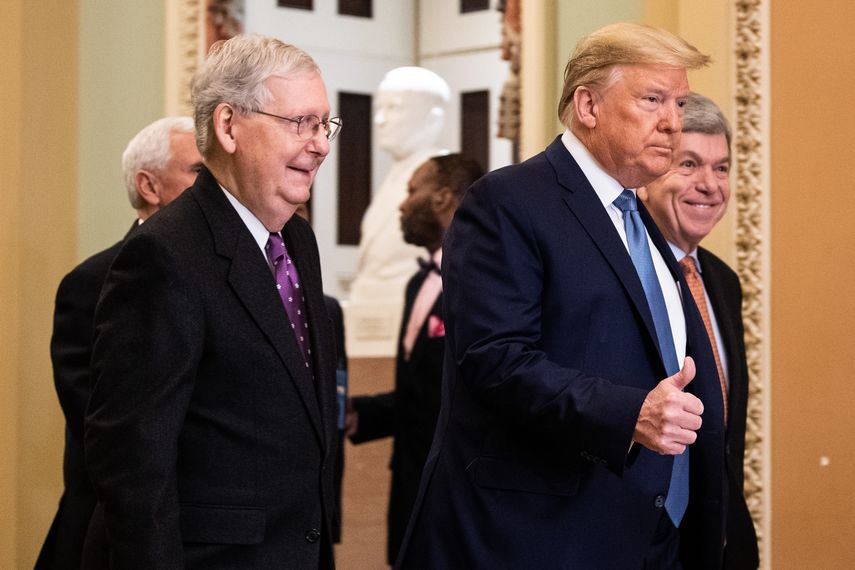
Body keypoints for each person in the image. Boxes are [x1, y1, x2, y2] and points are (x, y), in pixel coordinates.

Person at [396, 23, 726, 569]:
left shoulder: (637, 216)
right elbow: (494, 359)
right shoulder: (508, 201)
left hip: (652, 536)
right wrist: (630, 414)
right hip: (538, 540)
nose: (674, 121)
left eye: (681, 102)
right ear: (588, 105)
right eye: (652, 99)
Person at [85, 34, 341, 569]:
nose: (319, 144)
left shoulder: (298, 240)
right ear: (228, 126)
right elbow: (133, 464)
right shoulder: (163, 255)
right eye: (300, 123)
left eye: (325, 125)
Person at [35, 116, 202, 570]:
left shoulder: (217, 273)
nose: (215, 189)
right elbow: (104, 425)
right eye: (199, 173)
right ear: (149, 185)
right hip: (115, 534)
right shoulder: (90, 281)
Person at [639, 92, 759, 569]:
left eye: (722, 167)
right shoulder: (623, 274)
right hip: (639, 546)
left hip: (719, 544)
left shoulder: (723, 281)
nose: (710, 185)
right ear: (648, 177)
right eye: (688, 164)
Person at [347, 154, 483, 565]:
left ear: (443, 198)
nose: (403, 205)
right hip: (409, 487)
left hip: (458, 496)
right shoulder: (415, 285)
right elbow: (424, 392)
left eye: (412, 192)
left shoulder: (483, 280)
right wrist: (361, 414)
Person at [347, 66, 450, 355]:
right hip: (372, 322)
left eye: (393, 109)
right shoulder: (393, 177)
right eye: (379, 109)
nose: (380, 120)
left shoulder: (441, 180)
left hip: (403, 320)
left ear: (431, 116)